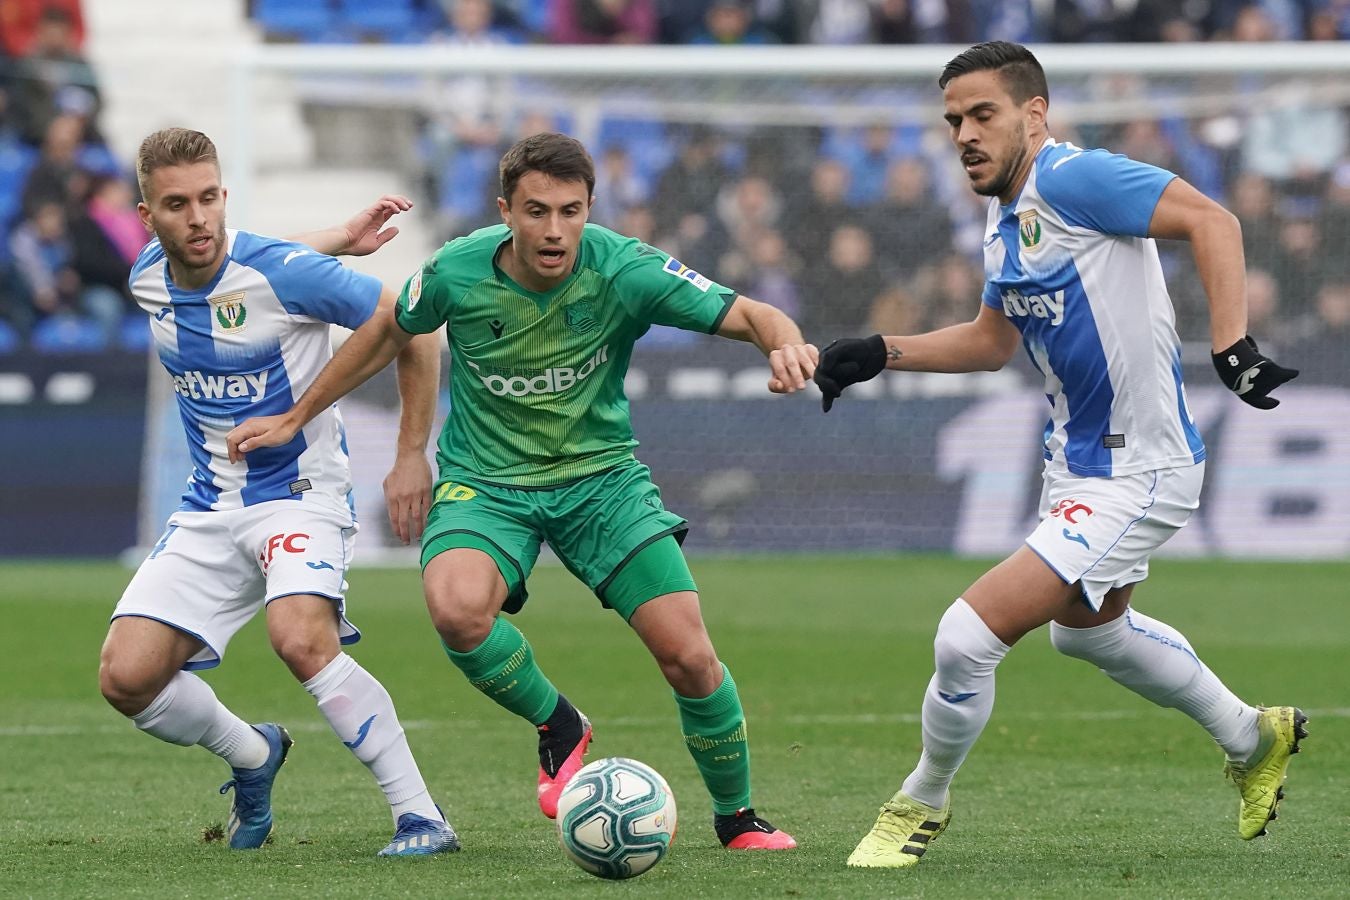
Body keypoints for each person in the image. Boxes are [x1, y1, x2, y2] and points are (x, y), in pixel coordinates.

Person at [227, 131, 815, 851]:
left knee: (688, 655)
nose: (555, 229)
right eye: (537, 211)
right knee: (456, 609)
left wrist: (784, 343)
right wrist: (308, 419)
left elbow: (753, 313)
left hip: (602, 483)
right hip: (487, 484)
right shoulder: (456, 271)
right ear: (506, 210)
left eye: (571, 211)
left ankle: (738, 817)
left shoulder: (625, 268)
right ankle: (559, 722)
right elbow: (392, 332)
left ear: (591, 208)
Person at [812, 42, 1305, 869]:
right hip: (1078, 469)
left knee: (965, 637)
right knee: (1086, 634)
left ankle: (918, 803)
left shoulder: (1073, 179)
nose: (964, 134)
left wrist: (1232, 347)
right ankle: (1252, 738)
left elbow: (1212, 220)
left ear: (1033, 115)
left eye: (983, 115)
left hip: (1140, 471)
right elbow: (991, 341)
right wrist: (879, 351)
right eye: (953, 121)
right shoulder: (1003, 221)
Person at [96, 128, 457, 857]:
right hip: (210, 505)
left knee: (298, 638)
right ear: (148, 217)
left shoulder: (281, 272)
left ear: (223, 196)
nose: (197, 218)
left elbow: (414, 326)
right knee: (126, 678)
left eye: (208, 199)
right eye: (176, 205)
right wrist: (333, 238)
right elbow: (241, 266)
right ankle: (254, 754)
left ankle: (422, 816)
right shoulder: (145, 277)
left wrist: (411, 453)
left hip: (300, 493)